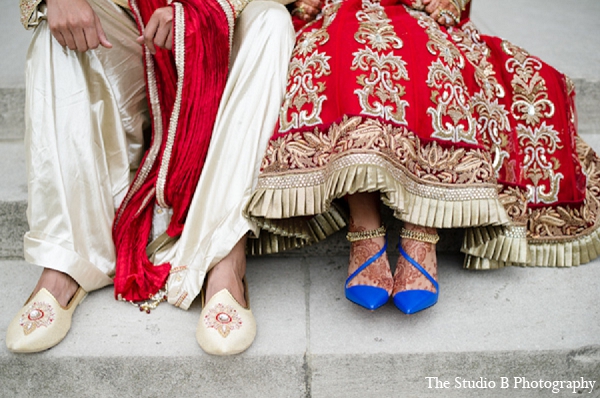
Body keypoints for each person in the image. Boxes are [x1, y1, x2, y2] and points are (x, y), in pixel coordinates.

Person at [245, 0, 600, 313]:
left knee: (426, 51)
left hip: (415, 11)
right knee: (346, 48)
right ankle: (365, 228)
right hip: (337, 8)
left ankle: (421, 231)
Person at [6, 0, 294, 355]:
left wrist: (201, 12)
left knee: (273, 23)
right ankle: (66, 257)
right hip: (130, 21)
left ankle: (223, 259)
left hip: (230, 22)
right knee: (55, 35)